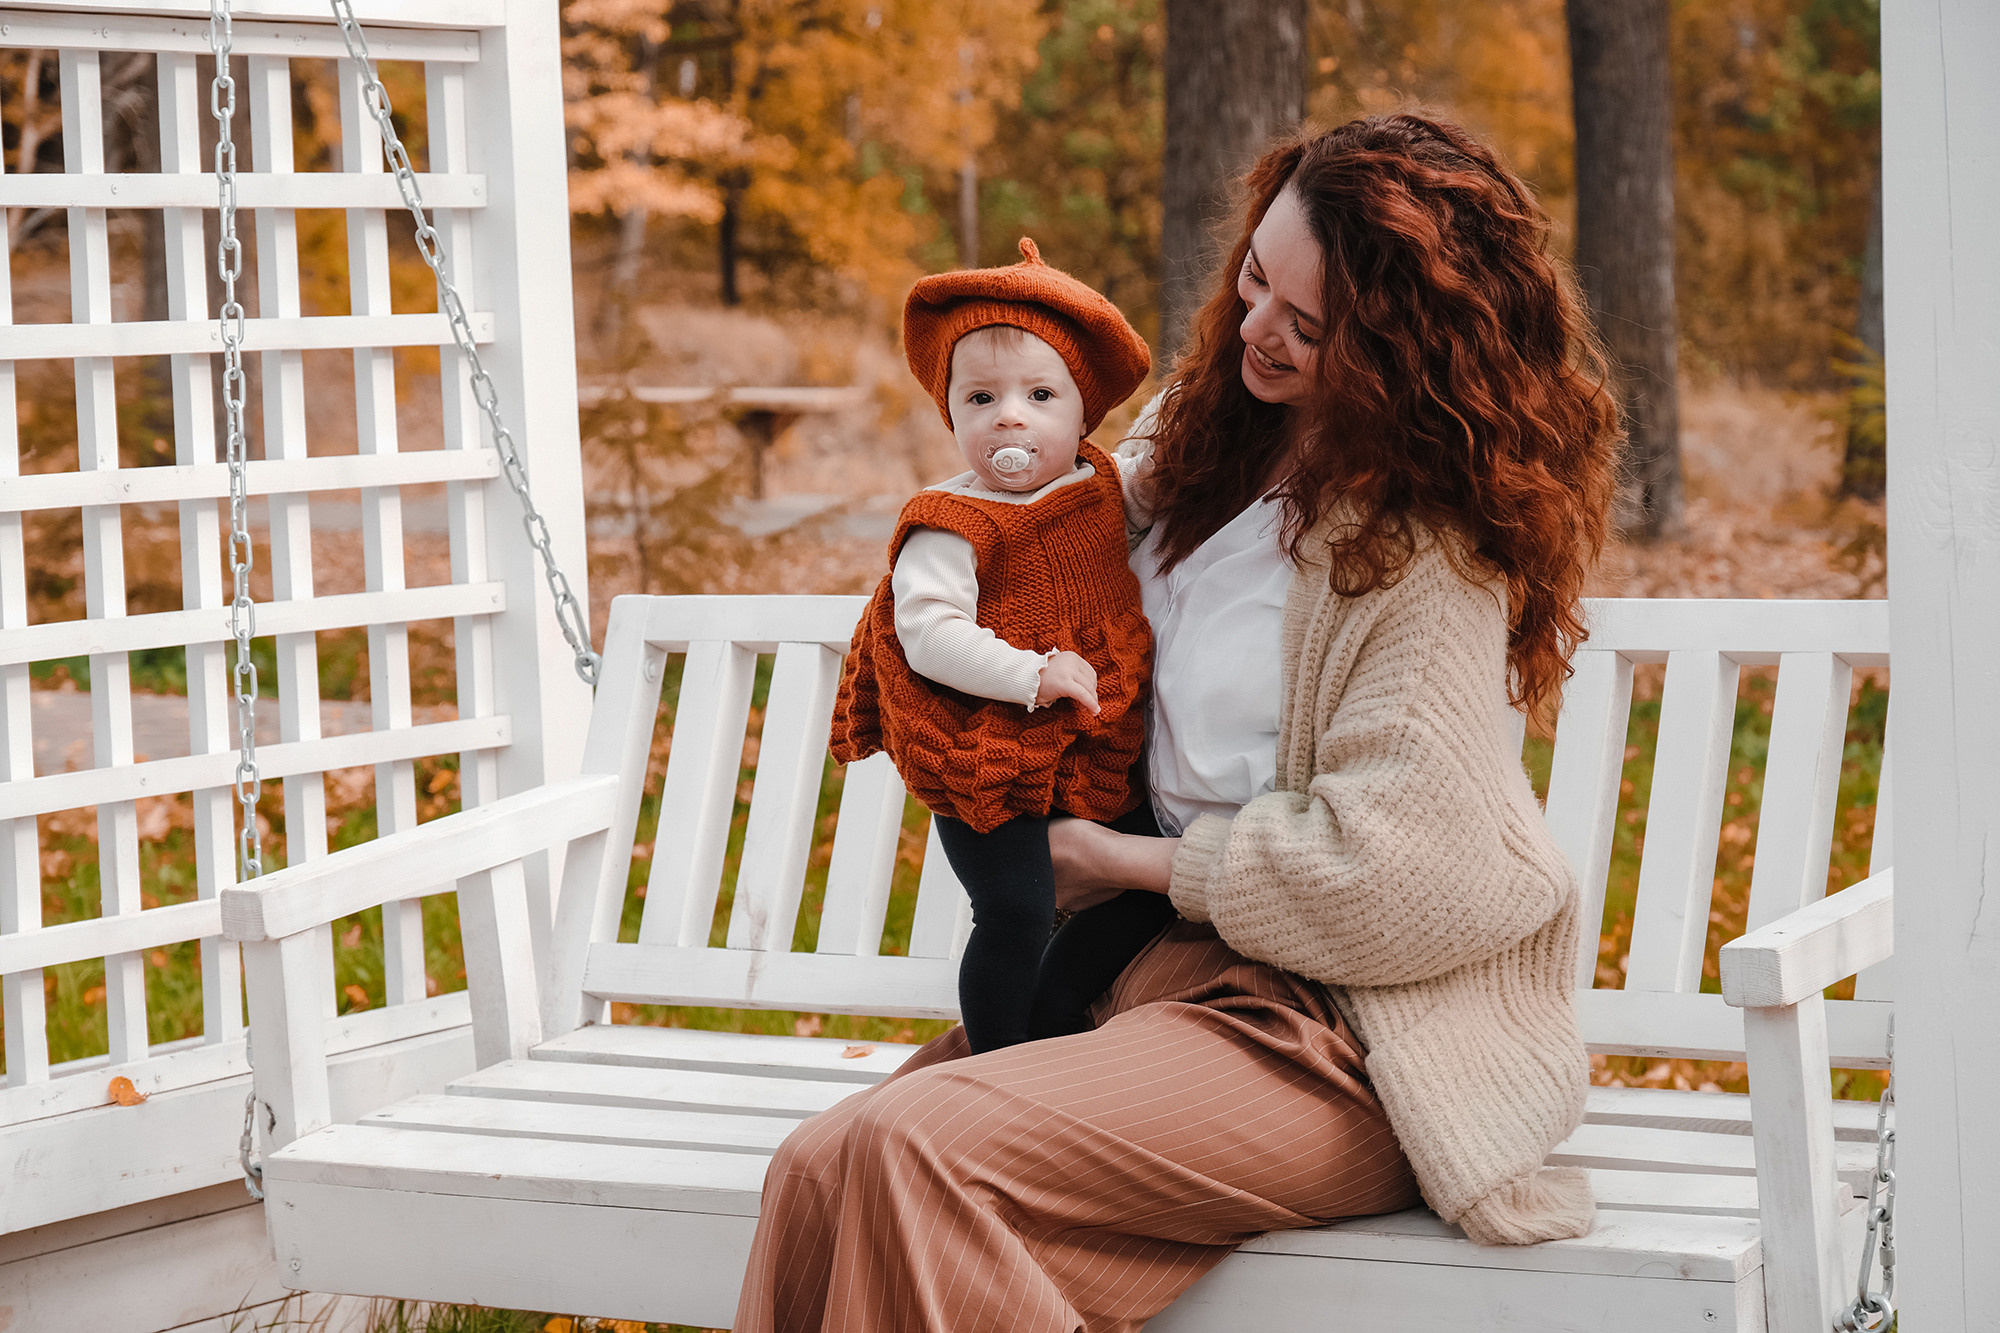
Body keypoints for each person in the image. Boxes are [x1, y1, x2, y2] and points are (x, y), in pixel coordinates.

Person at [739, 112, 1622, 1333]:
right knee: (822, 1169)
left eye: (1308, 325)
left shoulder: (1422, 551)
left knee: (913, 1153)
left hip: (1334, 1036)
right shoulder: (1193, 441)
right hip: (1128, 977)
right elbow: (1023, 556)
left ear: (1399, 347)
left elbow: (1414, 874)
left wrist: (1114, 860)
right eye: (1256, 278)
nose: (1258, 327)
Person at [830, 237, 1176, 1055]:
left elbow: (1160, 487)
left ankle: (1054, 1012)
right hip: (982, 751)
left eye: (1039, 394)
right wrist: (1030, 672)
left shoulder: (1101, 486)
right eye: (980, 397)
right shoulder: (952, 524)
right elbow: (928, 633)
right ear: (951, 413)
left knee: (1151, 887)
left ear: (1083, 415)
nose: (1009, 415)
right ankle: (994, 1058)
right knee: (1015, 907)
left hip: (1082, 748)